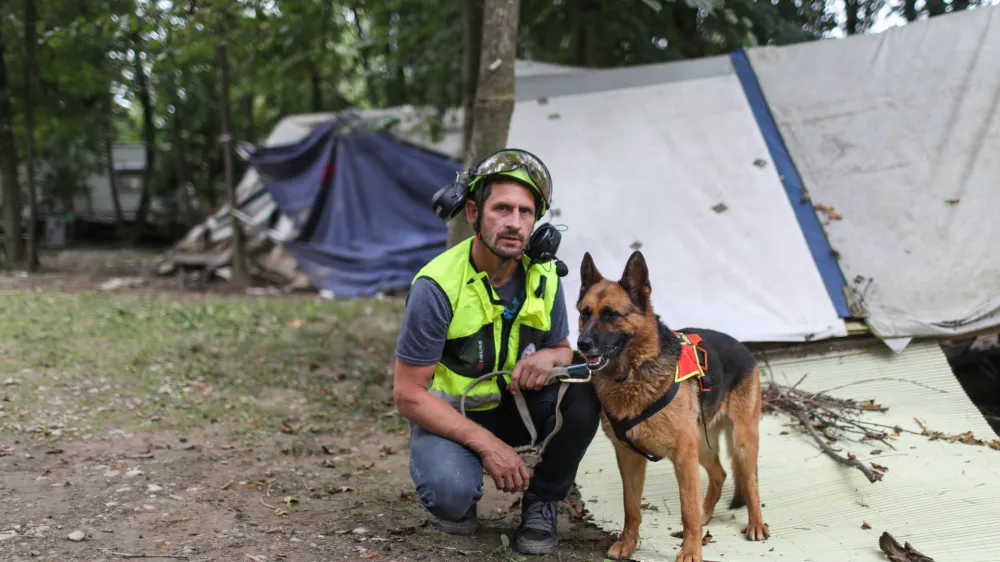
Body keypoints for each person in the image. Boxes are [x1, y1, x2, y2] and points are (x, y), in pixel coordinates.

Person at [392, 148, 601, 556]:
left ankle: (543, 502)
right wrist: (488, 446)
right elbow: (408, 394)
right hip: (454, 413)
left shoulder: (546, 276)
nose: (514, 223)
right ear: (473, 213)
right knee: (451, 501)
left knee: (585, 389)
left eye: (526, 212)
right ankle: (458, 482)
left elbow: (562, 348)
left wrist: (550, 357)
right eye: (502, 208)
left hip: (516, 407)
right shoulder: (435, 287)